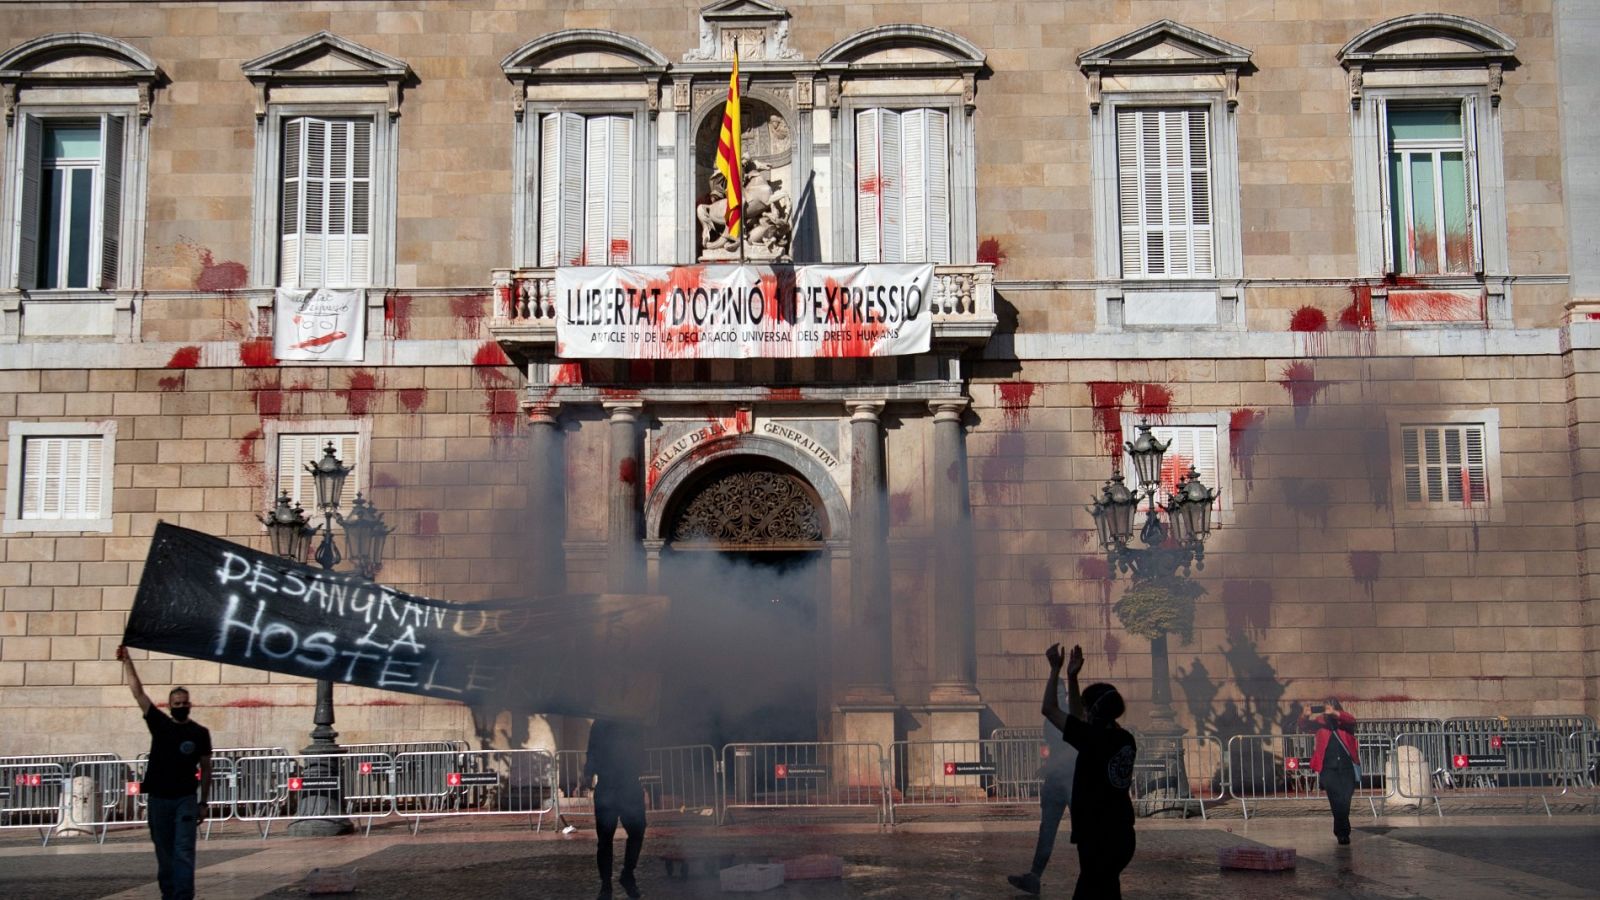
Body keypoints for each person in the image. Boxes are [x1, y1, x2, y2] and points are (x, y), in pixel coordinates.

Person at [1037, 643, 1137, 899]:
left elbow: (1049, 709)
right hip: (1122, 833)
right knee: (1108, 891)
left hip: (1098, 837)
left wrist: (1055, 670)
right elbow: (1079, 718)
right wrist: (1072, 678)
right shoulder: (1124, 739)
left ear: (1092, 711)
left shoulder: (1092, 739)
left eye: (1085, 706)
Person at [117, 645, 212, 900]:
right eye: (176, 703)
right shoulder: (159, 724)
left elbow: (206, 768)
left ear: (190, 705)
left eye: (184, 703)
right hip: (158, 799)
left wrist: (203, 802)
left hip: (185, 799)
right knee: (164, 850)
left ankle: (183, 895)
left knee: (184, 849)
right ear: (169, 706)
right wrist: (127, 661)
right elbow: (138, 692)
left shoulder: (199, 733)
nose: (181, 706)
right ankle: (168, 893)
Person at [1007, 664, 1078, 895]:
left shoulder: (1067, 716)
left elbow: (1072, 749)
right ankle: (1035, 875)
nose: (1057, 695)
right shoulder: (1053, 719)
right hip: (1058, 780)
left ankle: (1091, 875)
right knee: (1047, 830)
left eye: (1059, 692)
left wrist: (1049, 768)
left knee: (1078, 831)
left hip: (1070, 779)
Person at [585, 719, 647, 899]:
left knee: (637, 830)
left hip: (627, 783)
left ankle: (626, 874)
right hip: (610, 784)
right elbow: (593, 749)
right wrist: (589, 771)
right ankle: (607, 884)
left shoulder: (632, 721)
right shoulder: (603, 723)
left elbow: (640, 748)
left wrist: (589, 771)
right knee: (605, 839)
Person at [1303, 697, 1359, 845]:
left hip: (1347, 766)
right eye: (1325, 707)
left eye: (1330, 707)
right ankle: (1342, 833)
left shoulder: (1344, 721)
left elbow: (1352, 720)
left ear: (1336, 707)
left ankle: (1341, 828)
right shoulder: (1320, 722)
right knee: (1335, 799)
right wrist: (1305, 715)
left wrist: (1335, 713)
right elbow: (1304, 726)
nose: (1327, 710)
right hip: (1328, 767)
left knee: (1345, 799)